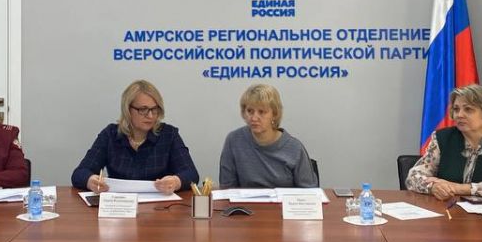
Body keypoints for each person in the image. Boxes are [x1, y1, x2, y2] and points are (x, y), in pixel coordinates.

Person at [72, 80, 200, 194]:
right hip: (120, 206)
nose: (150, 116)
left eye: (154, 109)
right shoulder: (110, 135)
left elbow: (191, 174)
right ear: (128, 110)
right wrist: (90, 180)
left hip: (160, 207)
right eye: (143, 109)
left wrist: (175, 181)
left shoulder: (169, 134)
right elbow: (80, 173)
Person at [406, 84, 482, 199]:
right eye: (456, 109)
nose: (459, 115)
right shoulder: (442, 138)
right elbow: (413, 177)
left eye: (468, 109)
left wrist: (461, 189)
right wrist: (433, 187)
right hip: (446, 208)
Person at [218, 83, 318, 188]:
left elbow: (310, 192)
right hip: (246, 199)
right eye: (250, 111)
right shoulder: (234, 141)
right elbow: (227, 188)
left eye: (262, 112)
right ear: (244, 112)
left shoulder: (295, 148)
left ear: (274, 114)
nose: (254, 118)